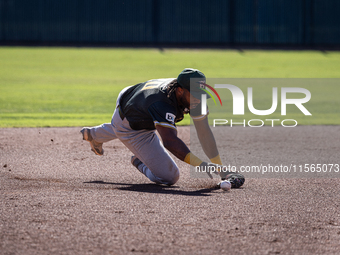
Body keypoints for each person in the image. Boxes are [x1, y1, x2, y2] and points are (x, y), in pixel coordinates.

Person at [81, 68, 244, 188]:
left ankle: (94, 134)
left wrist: (221, 170)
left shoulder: (187, 93)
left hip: (136, 102)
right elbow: (170, 141)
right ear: (180, 91)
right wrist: (201, 165)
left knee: (145, 119)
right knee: (169, 177)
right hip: (131, 122)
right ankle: (141, 160)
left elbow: (204, 133)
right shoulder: (161, 102)